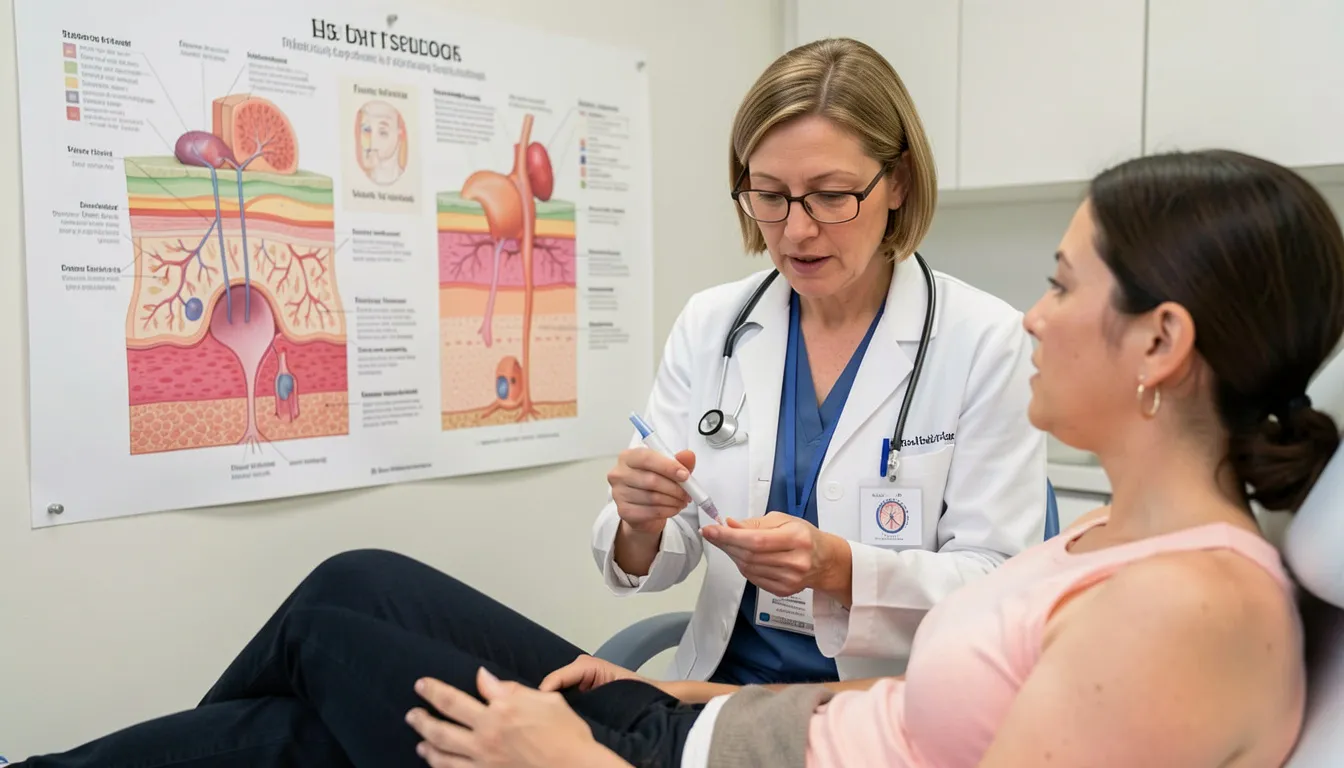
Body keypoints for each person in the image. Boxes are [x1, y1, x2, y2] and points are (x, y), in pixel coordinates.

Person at [14, 158, 1339, 767]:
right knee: (349, 587)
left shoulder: (1186, 610)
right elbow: (922, 711)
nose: (1037, 314)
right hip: (718, 717)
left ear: (1161, 339)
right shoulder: (1120, 533)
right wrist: (676, 643)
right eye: (765, 195)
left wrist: (569, 761)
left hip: (689, 755)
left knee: (325, 690)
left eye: (1063, 284)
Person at [592, 36, 1045, 687]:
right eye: (769, 195)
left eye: (831, 195)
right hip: (710, 691)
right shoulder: (712, 324)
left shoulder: (984, 341)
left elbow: (1000, 585)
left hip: (875, 710)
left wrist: (839, 568)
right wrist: (641, 522)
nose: (796, 232)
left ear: (899, 182)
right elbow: (662, 553)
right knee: (402, 606)